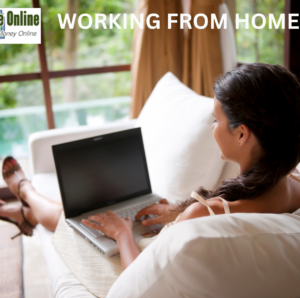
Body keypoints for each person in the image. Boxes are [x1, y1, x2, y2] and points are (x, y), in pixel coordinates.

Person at [1, 63, 300, 270]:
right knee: (87, 217)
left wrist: (122, 233)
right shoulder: (293, 186)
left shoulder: (204, 212)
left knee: (75, 218)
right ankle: (25, 210)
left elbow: (141, 282)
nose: (213, 127)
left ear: (242, 133)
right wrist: (175, 212)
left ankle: (25, 191)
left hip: (133, 267)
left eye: (216, 120)